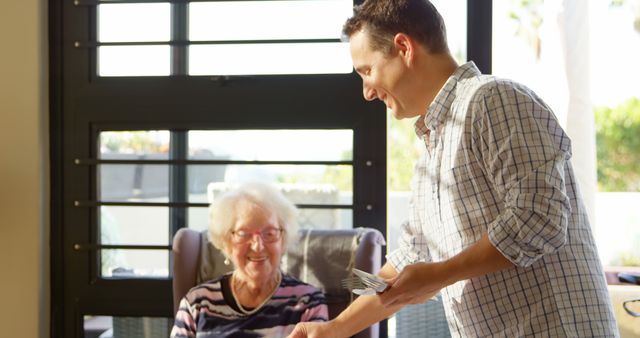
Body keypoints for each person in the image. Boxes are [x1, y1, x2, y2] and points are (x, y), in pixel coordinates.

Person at [289, 0, 619, 337]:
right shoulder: (427, 161)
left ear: (404, 47)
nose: (367, 92)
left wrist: (440, 273)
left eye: (366, 71)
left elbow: (539, 216)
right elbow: (410, 260)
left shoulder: (493, 100)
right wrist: (333, 328)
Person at [171, 182, 328, 337]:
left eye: (270, 233)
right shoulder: (197, 303)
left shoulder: (308, 302)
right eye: (244, 233)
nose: (258, 246)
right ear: (226, 240)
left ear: (283, 239)